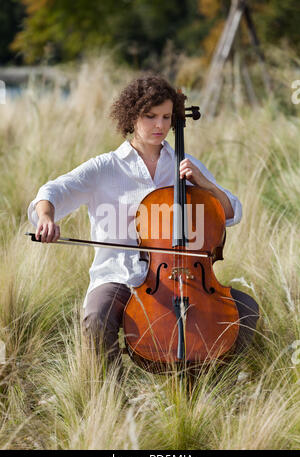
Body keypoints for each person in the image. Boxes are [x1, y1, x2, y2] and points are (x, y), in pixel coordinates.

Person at [27, 75, 259, 373]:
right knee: (97, 316)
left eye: (165, 117)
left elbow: (230, 213)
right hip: (119, 276)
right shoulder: (105, 167)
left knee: (246, 310)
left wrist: (204, 185)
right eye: (150, 117)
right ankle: (110, 395)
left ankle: (212, 379)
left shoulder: (184, 163)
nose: (160, 126)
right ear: (131, 116)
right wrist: (46, 216)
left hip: (180, 276)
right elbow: (53, 191)